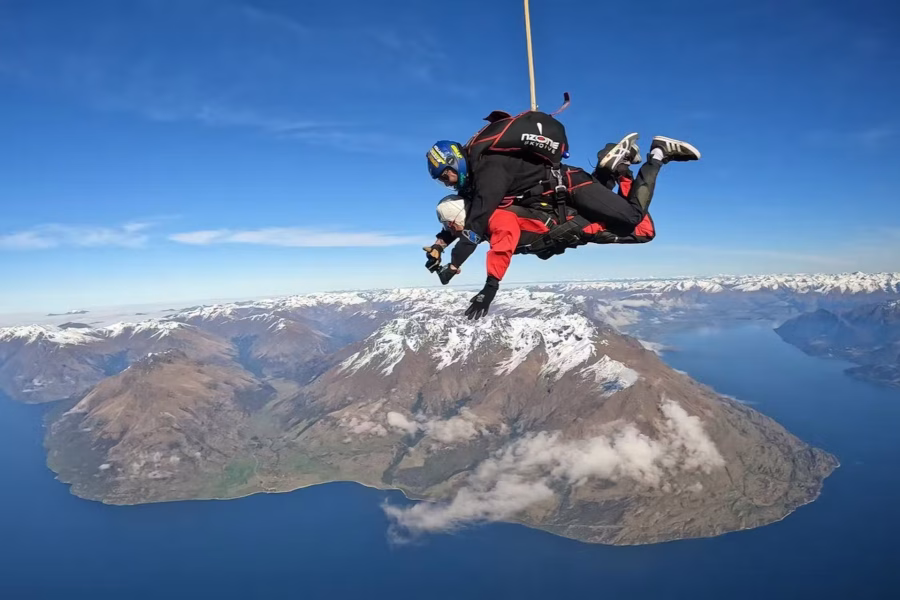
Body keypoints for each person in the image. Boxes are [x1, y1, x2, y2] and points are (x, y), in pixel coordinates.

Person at [425, 131, 692, 319]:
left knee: (639, 224)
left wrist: (489, 287)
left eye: (445, 175)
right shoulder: (481, 205)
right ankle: (614, 167)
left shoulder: (494, 216)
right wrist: (439, 246)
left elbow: (500, 247)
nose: (446, 181)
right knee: (606, 201)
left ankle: (656, 155)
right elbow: (458, 230)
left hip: (574, 219)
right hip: (566, 209)